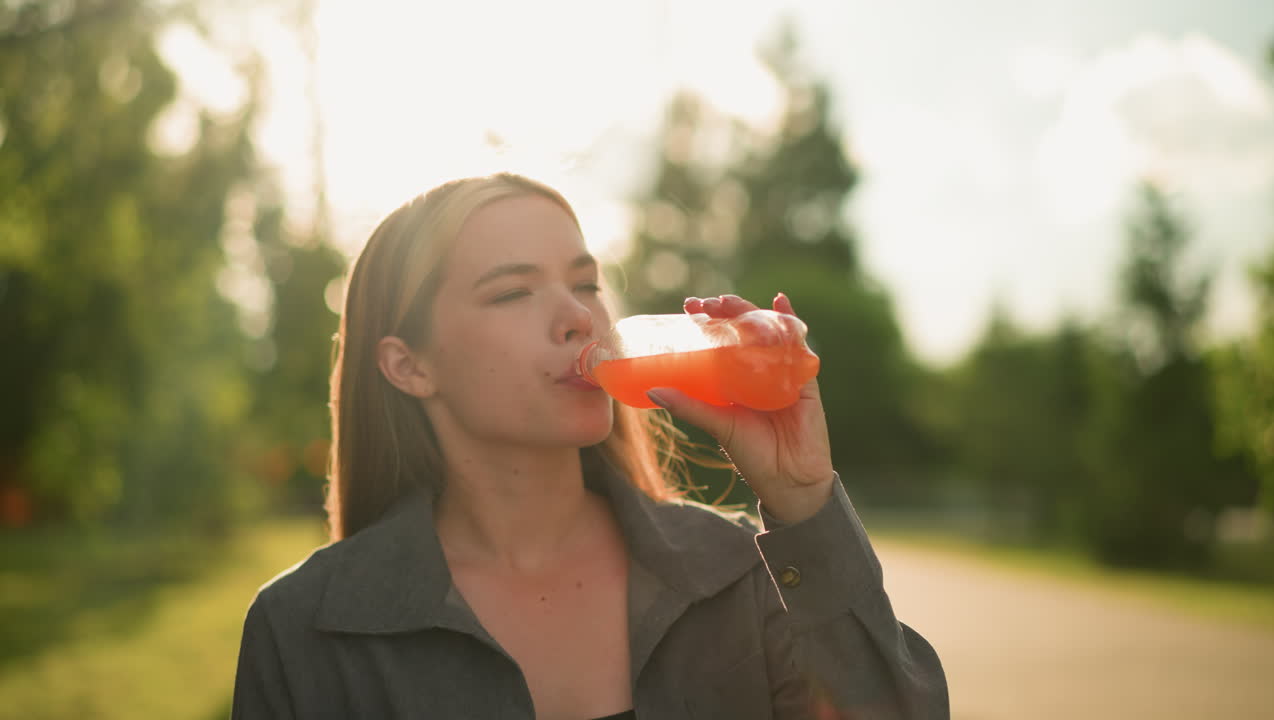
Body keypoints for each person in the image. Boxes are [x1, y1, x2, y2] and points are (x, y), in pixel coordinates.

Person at [231, 173, 948, 719]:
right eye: (512, 292)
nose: (578, 316)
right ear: (408, 365)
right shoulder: (304, 629)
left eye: (586, 283)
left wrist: (802, 502)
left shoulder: (739, 577)